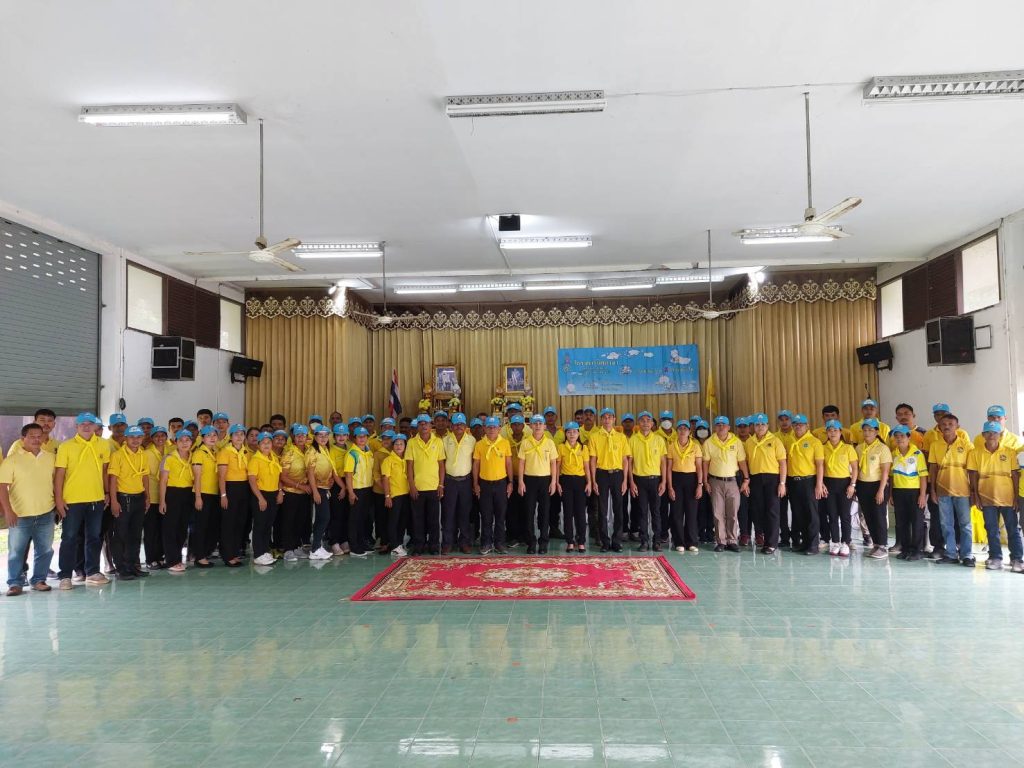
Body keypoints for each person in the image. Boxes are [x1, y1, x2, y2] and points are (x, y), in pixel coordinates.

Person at [54, 412, 112, 589]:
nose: (86, 427)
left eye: (90, 423)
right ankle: (65, 576)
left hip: (96, 499)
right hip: (72, 500)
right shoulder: (66, 446)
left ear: (95, 426)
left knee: (94, 537)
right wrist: (58, 499)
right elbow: (59, 474)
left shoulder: (103, 444)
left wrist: (106, 492)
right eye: (82, 424)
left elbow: (104, 471)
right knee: (69, 537)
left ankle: (92, 572)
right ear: (76, 426)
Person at [0, 423, 56, 594]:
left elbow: (56, 483)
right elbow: (2, 487)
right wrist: (8, 511)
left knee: (45, 550)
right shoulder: (12, 460)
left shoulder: (50, 458)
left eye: (39, 436)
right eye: (32, 436)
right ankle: (15, 583)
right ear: (23, 438)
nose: (36, 439)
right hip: (20, 515)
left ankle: (39, 580)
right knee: (16, 551)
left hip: (46, 512)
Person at [968, 422, 1023, 572]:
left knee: (1013, 529)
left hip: (1007, 497)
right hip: (986, 497)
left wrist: (1016, 497)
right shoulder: (975, 453)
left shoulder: (1010, 452)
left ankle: (1017, 559)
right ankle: (995, 558)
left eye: (995, 433)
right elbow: (973, 475)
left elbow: (1015, 475)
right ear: (983, 435)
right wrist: (976, 495)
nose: (992, 435)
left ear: (1000, 435)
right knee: (991, 529)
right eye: (988, 432)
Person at [927, 413, 975, 566]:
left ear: (957, 427)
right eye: (943, 424)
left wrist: (973, 492)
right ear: (939, 427)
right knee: (946, 524)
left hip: (963, 491)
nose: (946, 426)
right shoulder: (935, 445)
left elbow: (972, 471)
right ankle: (951, 554)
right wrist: (933, 490)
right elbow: (933, 469)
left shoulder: (967, 445)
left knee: (965, 525)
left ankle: (967, 555)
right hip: (942, 491)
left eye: (950, 424)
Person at [107, 425, 149, 579]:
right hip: (123, 498)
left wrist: (147, 497)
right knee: (120, 535)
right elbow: (113, 479)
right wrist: (114, 501)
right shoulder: (118, 455)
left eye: (138, 437)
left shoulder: (143, 454)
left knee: (135, 535)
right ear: (125, 438)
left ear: (142, 438)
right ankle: (120, 568)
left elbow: (145, 476)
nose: (135, 440)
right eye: (132, 437)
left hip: (139, 498)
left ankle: (132, 566)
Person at [703, 416, 749, 553]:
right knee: (718, 513)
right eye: (718, 424)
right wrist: (705, 481)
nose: (721, 427)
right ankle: (721, 541)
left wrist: (746, 479)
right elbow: (705, 463)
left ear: (729, 427)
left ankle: (732, 540)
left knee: (733, 512)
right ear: (715, 427)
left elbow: (742, 461)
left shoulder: (736, 441)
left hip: (733, 482)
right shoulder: (709, 442)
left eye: (724, 424)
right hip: (715, 481)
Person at [588, 408, 631, 553]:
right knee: (602, 510)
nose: (607, 420)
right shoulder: (594, 437)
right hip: (601, 474)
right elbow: (593, 460)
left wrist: (625, 480)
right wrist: (594, 480)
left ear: (614, 419)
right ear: (601, 420)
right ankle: (604, 541)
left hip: (617, 474)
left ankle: (617, 541)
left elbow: (625, 460)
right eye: (604, 417)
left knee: (619, 509)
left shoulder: (621, 437)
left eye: (609, 417)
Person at [744, 413, 787, 555]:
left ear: (768, 425)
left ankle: (772, 543)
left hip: (772, 479)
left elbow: (782, 463)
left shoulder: (775, 441)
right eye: (757, 424)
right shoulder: (749, 442)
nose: (760, 427)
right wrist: (747, 480)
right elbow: (746, 463)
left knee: (772, 511)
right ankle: (763, 539)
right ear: (753, 427)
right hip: (755, 479)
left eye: (763, 424)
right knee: (759, 510)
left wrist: (782, 483)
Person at [627, 411, 668, 552]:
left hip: (655, 480)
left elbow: (663, 463)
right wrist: (631, 482)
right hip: (639, 480)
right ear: (638, 423)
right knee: (642, 512)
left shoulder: (659, 440)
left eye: (648, 420)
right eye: (642, 420)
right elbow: (630, 463)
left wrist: (663, 482)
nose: (645, 423)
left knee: (656, 512)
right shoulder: (633, 440)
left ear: (652, 424)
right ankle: (644, 541)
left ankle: (657, 541)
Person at [518, 414, 558, 554]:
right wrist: (521, 481)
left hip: (545, 480)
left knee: (544, 512)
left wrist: (553, 482)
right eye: (535, 423)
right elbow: (521, 463)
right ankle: (531, 542)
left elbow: (553, 463)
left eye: (540, 423)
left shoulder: (550, 443)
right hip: (529, 480)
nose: (538, 426)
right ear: (531, 426)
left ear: (545, 426)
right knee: (529, 512)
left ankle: (543, 541)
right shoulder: (525, 442)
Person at [473, 416, 513, 554]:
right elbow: (476, 465)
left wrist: (510, 482)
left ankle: (499, 543)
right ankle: (486, 543)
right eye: (489, 427)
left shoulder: (505, 443)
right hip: (485, 484)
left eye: (494, 427)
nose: (491, 429)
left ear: (499, 429)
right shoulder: (479, 444)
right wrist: (475, 484)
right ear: (484, 428)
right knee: (486, 515)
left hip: (501, 483)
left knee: (500, 515)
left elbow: (508, 463)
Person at [406, 415, 446, 555]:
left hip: (434, 487)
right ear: (417, 426)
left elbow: (441, 465)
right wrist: (412, 486)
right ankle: (419, 546)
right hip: (418, 488)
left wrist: (441, 485)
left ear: (431, 425)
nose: (424, 426)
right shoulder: (411, 442)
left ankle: (434, 546)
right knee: (418, 520)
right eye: (421, 424)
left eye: (426, 423)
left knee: (433, 520)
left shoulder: (438, 441)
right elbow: (409, 466)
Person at [889, 425, 928, 561]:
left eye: (902, 436)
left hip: (914, 492)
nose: (899, 439)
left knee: (916, 521)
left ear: (909, 437)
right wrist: (891, 494)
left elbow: (923, 476)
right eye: (896, 436)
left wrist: (922, 495)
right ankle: (905, 549)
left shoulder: (917, 454)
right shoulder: (893, 454)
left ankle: (917, 550)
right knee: (901, 522)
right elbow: (891, 476)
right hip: (898, 491)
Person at [786, 414, 825, 555]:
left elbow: (820, 465)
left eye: (801, 424)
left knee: (811, 514)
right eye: (795, 424)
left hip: (809, 481)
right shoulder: (789, 440)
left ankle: (814, 545)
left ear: (807, 426)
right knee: (798, 513)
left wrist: (819, 484)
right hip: (793, 481)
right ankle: (805, 542)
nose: (798, 426)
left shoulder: (815, 442)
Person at [820, 420, 858, 557]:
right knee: (832, 515)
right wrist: (821, 483)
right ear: (826, 433)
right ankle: (835, 542)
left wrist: (852, 485)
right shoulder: (822, 447)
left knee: (845, 515)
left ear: (840, 432)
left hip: (844, 484)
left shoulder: (848, 448)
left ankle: (845, 542)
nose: (833, 433)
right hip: (828, 483)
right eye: (830, 430)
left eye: (835, 430)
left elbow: (855, 468)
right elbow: (820, 467)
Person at [159, 431, 196, 573]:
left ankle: (178, 558)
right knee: (170, 528)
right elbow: (163, 481)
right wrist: (162, 501)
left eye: (187, 440)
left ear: (191, 442)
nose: (185, 443)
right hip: (172, 493)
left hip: (188, 494)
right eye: (181, 440)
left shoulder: (193, 457)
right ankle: (171, 560)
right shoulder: (169, 458)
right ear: (175, 442)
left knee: (182, 528)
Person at [856, 419, 893, 559]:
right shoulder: (859, 448)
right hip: (862, 485)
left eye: (870, 430)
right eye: (865, 430)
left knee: (879, 515)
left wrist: (881, 490)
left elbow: (885, 471)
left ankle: (883, 546)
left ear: (877, 432)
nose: (867, 433)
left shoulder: (882, 448)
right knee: (868, 516)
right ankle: (876, 544)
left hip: (878, 484)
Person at [667, 419, 703, 553]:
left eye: (685, 429)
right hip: (676, 479)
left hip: (691, 480)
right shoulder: (671, 446)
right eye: (680, 428)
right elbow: (669, 468)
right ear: (677, 431)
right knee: (677, 512)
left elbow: (699, 467)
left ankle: (692, 541)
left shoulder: (695, 446)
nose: (683, 431)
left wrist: (700, 485)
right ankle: (679, 541)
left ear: (689, 431)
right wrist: (670, 487)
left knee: (691, 512)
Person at [247, 431, 283, 566]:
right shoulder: (255, 460)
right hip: (261, 494)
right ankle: (258, 554)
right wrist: (260, 498)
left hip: (273, 494)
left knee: (268, 525)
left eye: (268, 442)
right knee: (260, 525)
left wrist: (280, 492)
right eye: (263, 443)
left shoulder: (274, 458)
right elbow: (252, 481)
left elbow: (279, 477)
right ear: (258, 445)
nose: (266, 445)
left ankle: (265, 551)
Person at [442, 413, 476, 554]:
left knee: (464, 513)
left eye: (461, 424)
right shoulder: (445, 440)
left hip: (466, 482)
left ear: (465, 426)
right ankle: (447, 543)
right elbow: (442, 462)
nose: (458, 427)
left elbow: (474, 462)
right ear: (451, 426)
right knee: (448, 513)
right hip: (449, 481)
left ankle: (464, 543)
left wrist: (474, 483)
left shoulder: (472, 440)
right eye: (456, 424)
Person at [217, 424, 250, 566]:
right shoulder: (225, 452)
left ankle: (235, 552)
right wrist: (223, 495)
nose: (239, 437)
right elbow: (221, 476)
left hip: (244, 488)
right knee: (229, 523)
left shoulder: (246, 451)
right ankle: (227, 555)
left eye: (242, 434)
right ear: (231, 437)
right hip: (230, 488)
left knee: (239, 522)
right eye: (236, 434)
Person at [556, 421, 591, 553]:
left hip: (580, 481)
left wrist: (589, 482)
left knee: (580, 513)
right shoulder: (561, 447)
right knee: (568, 512)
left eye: (574, 432)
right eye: (569, 432)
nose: (572, 434)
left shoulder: (583, 448)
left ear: (578, 433)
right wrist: (557, 482)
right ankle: (570, 541)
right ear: (565, 434)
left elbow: (586, 467)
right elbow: (558, 467)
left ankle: (581, 541)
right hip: (566, 481)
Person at [279, 424, 311, 561]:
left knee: (300, 521)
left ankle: (296, 547)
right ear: (293, 437)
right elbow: (283, 477)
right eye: (298, 435)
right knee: (289, 522)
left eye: (303, 435)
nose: (300, 438)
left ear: (307, 437)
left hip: (304, 493)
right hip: (291, 493)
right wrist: (300, 486)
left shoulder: (310, 451)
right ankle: (288, 549)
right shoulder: (289, 453)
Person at [304, 425, 336, 561]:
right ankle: (315, 549)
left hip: (324, 487)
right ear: (315, 437)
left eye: (325, 435)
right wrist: (315, 491)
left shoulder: (325, 449)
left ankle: (317, 546)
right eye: (320, 435)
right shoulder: (312, 451)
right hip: (317, 488)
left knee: (320, 518)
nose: (323, 438)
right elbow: (310, 473)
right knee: (324, 517)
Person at [344, 427, 376, 558]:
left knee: (363, 518)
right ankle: (354, 545)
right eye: (359, 436)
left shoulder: (368, 452)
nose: (362, 439)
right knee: (354, 519)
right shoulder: (352, 454)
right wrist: (351, 493)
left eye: (364, 436)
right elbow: (348, 475)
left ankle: (362, 542)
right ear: (354, 438)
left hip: (368, 489)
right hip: (357, 490)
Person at [381, 433, 411, 556]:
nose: (399, 446)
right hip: (394, 495)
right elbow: (385, 479)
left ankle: (399, 543)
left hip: (406, 494)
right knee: (393, 521)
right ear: (392, 446)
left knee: (403, 521)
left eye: (401, 444)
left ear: (405, 445)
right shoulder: (388, 460)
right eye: (396, 444)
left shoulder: (407, 459)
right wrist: (387, 496)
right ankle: (394, 545)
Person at [142, 426, 168, 570]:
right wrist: (146, 496)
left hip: (165, 496)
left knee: (163, 529)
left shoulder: (170, 451)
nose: (160, 438)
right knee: (151, 529)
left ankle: (160, 557)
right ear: (151, 438)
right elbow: (144, 476)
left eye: (162, 435)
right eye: (156, 436)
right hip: (151, 496)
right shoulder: (146, 453)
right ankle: (150, 559)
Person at [328, 424, 351, 554]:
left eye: (344, 435)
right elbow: (334, 472)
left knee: (347, 513)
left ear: (347, 436)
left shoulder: (350, 447)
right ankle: (334, 542)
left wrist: (347, 486)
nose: (341, 437)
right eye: (338, 435)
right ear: (334, 436)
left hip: (349, 482)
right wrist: (343, 487)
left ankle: (344, 540)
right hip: (337, 484)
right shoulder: (331, 450)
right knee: (337, 514)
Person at [775, 409, 797, 548]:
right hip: (780, 477)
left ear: (791, 420)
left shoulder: (797, 435)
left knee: (797, 508)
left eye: (786, 419)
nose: (784, 422)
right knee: (781, 509)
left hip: (795, 476)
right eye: (781, 420)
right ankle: (784, 537)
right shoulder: (774, 437)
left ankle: (796, 537)